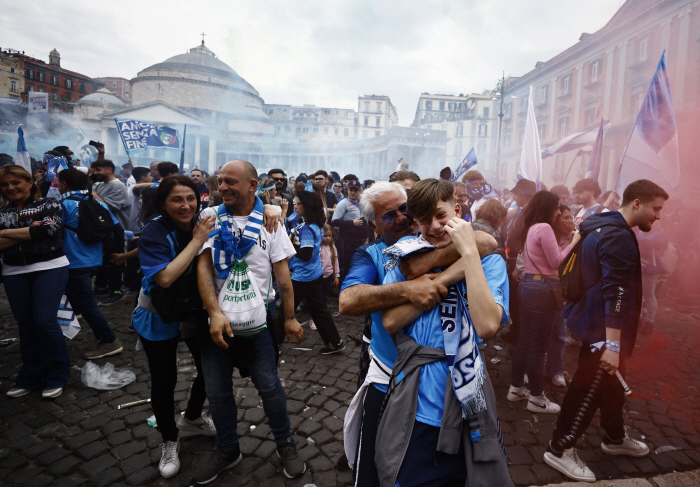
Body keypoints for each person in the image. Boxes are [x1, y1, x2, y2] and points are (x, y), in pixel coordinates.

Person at [339, 181, 498, 486]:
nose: (401, 218)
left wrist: (430, 261)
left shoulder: (431, 240)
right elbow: (347, 300)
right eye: (389, 215)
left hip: (443, 378)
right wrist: (410, 288)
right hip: (389, 377)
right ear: (373, 225)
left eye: (405, 210)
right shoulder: (370, 254)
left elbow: (484, 241)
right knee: (373, 465)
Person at [377, 178, 511, 487]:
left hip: (468, 397)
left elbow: (488, 325)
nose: (434, 226)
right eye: (424, 220)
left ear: (457, 209)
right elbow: (391, 321)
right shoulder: (406, 257)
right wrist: (446, 279)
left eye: (440, 215)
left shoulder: (488, 260)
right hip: (418, 401)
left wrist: (465, 258)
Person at [544, 180, 666, 482]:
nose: (659, 215)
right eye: (656, 208)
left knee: (611, 387)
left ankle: (614, 437)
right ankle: (560, 448)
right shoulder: (618, 237)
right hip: (604, 332)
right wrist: (611, 346)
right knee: (587, 388)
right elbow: (618, 292)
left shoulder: (600, 225)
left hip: (596, 324)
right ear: (636, 203)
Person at [194, 160, 306, 483]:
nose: (223, 187)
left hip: (259, 326)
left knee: (270, 386)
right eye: (220, 181)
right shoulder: (210, 218)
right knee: (216, 391)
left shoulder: (271, 221)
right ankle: (228, 449)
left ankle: (285, 443)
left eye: (230, 181)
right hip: (217, 325)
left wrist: (290, 317)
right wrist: (214, 312)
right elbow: (203, 268)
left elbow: (282, 272)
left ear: (253, 186)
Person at [133, 176, 217, 478]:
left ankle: (192, 417)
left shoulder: (207, 219)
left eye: (191, 199)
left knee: (211, 370)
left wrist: (273, 208)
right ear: (162, 204)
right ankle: (169, 440)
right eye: (177, 200)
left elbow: (246, 209)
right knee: (164, 380)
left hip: (195, 312)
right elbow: (165, 278)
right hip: (158, 313)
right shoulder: (155, 231)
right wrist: (196, 240)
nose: (186, 206)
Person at [0, 165, 69, 399]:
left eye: (15, 182)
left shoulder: (49, 204)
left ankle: (56, 375)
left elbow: (49, 231)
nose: (10, 187)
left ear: (29, 182)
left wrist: (6, 234)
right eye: (5, 184)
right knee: (26, 325)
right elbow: (37, 232)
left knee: (44, 322)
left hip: (49, 267)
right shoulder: (1, 210)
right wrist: (29, 230)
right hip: (12, 271)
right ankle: (30, 376)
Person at [508, 191, 578, 413]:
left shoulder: (532, 228)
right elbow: (557, 261)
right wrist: (574, 241)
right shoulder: (545, 228)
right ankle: (537, 397)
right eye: (557, 207)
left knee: (524, 341)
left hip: (528, 286)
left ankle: (517, 388)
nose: (559, 211)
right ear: (548, 208)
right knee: (538, 347)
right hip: (542, 290)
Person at [56, 169, 124, 360]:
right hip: (94, 260)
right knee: (79, 298)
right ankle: (68, 320)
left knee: (87, 303)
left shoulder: (63, 205)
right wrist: (114, 255)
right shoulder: (97, 202)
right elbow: (117, 228)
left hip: (73, 262)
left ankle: (109, 340)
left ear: (64, 184)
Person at [289, 190, 344, 353]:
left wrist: (289, 246)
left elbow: (305, 254)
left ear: (306, 206)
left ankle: (272, 345)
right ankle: (336, 343)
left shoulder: (307, 229)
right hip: (314, 273)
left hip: (303, 276)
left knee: (285, 310)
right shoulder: (315, 225)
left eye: (298, 203)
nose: (296, 206)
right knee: (319, 310)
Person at [91, 159, 131, 305]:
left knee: (115, 260)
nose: (95, 173)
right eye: (94, 170)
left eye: (98, 170)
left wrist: (92, 194)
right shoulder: (100, 185)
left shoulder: (118, 186)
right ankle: (102, 287)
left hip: (116, 230)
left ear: (109, 170)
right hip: (103, 230)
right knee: (104, 260)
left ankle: (116, 290)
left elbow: (107, 206)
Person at [502, 178, 537, 343]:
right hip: (514, 258)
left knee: (517, 301)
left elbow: (525, 241)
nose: (514, 196)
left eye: (516, 193)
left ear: (524, 194)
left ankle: (518, 333)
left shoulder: (530, 213)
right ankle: (516, 330)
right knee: (515, 300)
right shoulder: (523, 210)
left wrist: (518, 266)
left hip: (519, 261)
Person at [547, 205, 576, 387]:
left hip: (562, 291)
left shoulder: (575, 237)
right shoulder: (545, 233)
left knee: (559, 332)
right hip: (544, 287)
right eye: (564, 217)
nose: (569, 221)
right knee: (538, 332)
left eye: (570, 217)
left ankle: (556, 370)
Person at [332, 179, 371, 283]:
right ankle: (342, 292)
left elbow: (365, 221)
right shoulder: (343, 203)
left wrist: (366, 239)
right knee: (346, 266)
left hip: (359, 242)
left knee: (357, 266)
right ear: (347, 190)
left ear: (360, 191)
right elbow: (334, 222)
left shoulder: (361, 203)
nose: (353, 192)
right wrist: (351, 223)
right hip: (346, 241)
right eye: (351, 190)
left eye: (355, 190)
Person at [320, 223, 340, 307]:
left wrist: (336, 276)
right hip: (319, 276)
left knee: (325, 295)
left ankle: (323, 310)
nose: (327, 238)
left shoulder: (332, 247)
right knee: (318, 295)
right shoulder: (318, 247)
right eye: (325, 236)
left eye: (329, 236)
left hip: (328, 275)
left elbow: (335, 262)